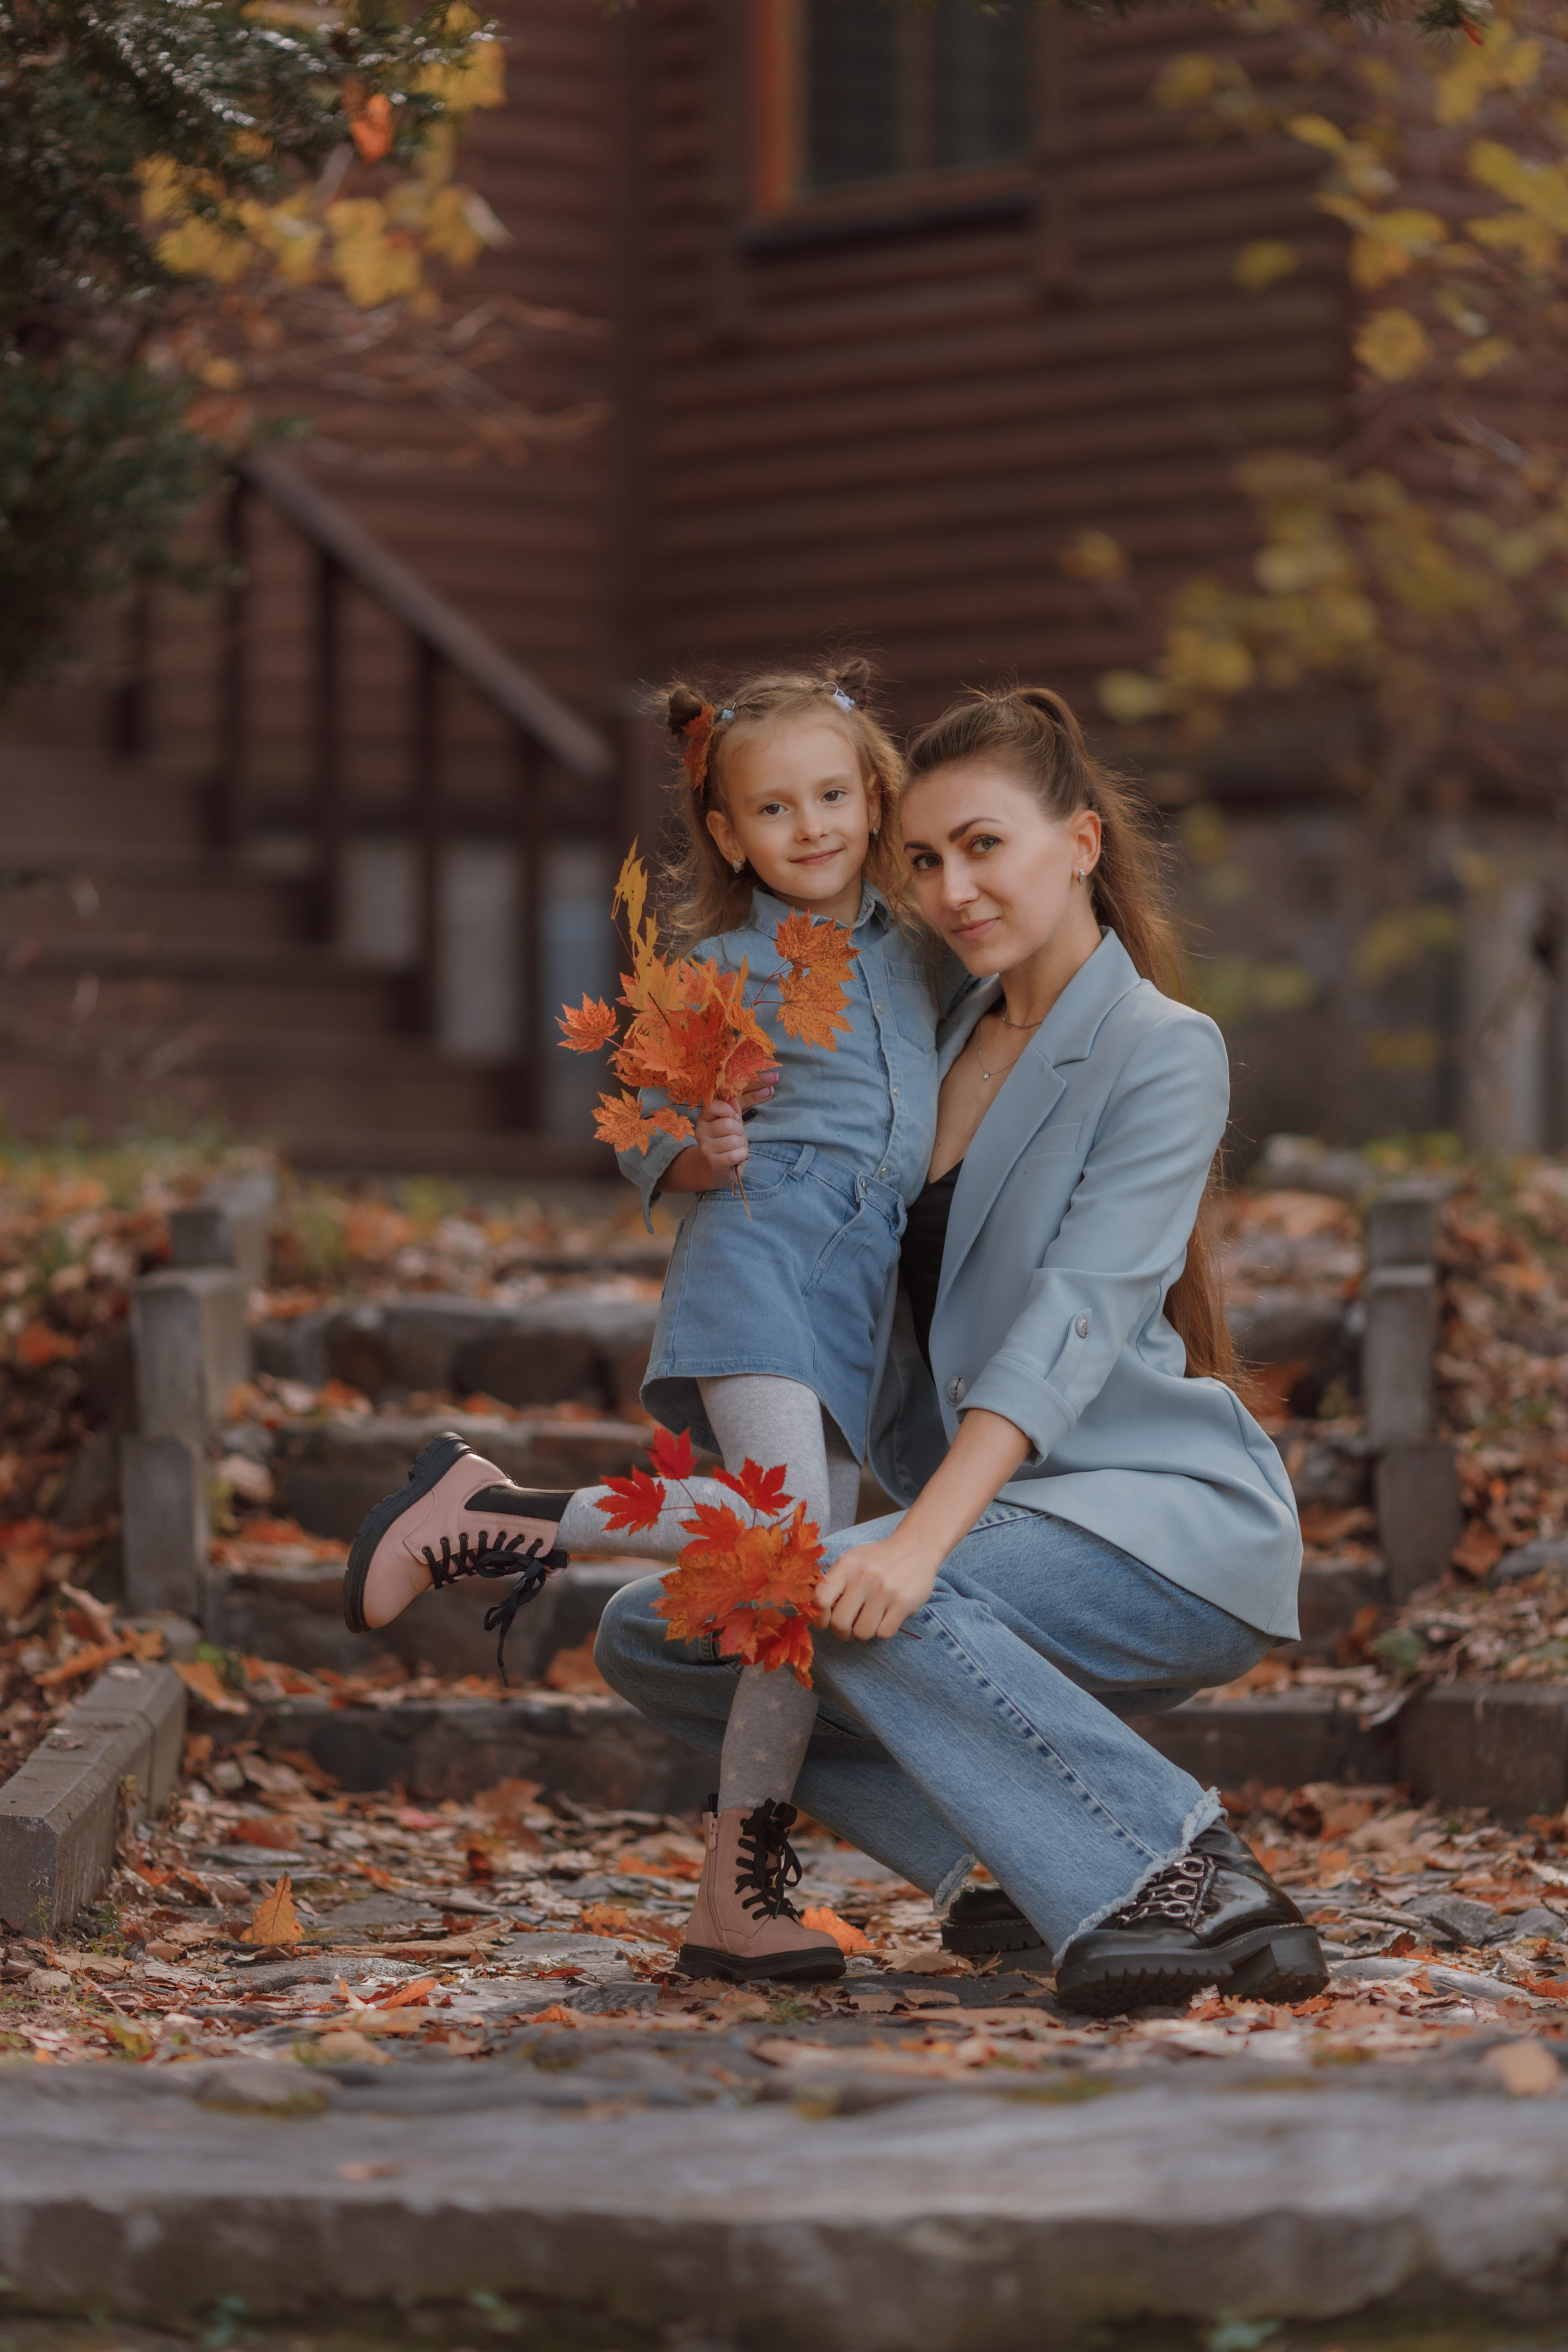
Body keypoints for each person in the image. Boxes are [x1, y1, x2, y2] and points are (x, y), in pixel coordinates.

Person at [587, 685, 1327, 2018]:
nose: (951, 888)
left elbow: (1076, 1319)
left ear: (1080, 844)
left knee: (829, 1593)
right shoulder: (924, 1032)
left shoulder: (1158, 1047)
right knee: (655, 1634)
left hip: (1151, 1524)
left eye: (983, 846)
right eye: (921, 860)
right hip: (993, 1526)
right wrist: (705, 1126)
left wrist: (915, 1541)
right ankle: (1000, 1863)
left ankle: (1175, 1864)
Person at [342, 658, 957, 1987]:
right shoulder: (718, 966)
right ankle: (487, 1520)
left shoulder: (924, 953)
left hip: (855, 1312)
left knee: (787, 1600)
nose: (812, 829)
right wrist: (700, 1152)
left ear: (873, 795)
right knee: (789, 1547)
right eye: (775, 810)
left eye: (833, 797)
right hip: (754, 1261)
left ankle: (734, 1896)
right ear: (728, 835)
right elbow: (645, 1141)